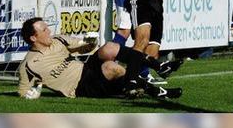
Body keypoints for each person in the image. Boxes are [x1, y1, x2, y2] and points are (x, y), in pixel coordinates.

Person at [17, 18, 181, 100]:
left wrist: (89, 42)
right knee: (111, 67)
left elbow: (85, 47)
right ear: (33, 38)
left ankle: (158, 66)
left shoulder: (58, 40)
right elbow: (22, 91)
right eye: (44, 30)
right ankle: (155, 90)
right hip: (80, 87)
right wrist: (30, 94)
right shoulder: (29, 65)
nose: (49, 32)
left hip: (87, 69)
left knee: (109, 47)